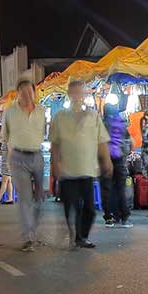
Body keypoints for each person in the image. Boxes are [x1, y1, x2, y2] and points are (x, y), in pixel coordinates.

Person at [48, 80, 112, 250]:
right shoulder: (60, 117)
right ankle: (76, 237)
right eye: (74, 92)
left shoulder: (93, 116)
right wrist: (54, 165)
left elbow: (101, 141)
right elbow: (55, 145)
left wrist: (107, 161)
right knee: (71, 206)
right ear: (69, 94)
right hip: (67, 170)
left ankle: (81, 235)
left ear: (84, 95)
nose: (77, 96)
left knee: (90, 208)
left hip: (87, 169)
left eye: (80, 92)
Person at [0, 74, 46, 250]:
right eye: (23, 92)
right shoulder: (10, 112)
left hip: (37, 156)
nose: (26, 95)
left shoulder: (41, 111)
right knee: (25, 198)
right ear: (17, 93)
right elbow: (6, 137)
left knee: (39, 197)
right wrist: (10, 158)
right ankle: (28, 237)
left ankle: (33, 229)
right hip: (18, 158)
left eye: (29, 92)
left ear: (34, 93)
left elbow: (43, 132)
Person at [100, 103, 132, 229]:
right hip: (119, 159)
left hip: (106, 159)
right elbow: (130, 142)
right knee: (120, 188)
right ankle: (124, 217)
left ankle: (109, 217)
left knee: (107, 188)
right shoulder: (121, 124)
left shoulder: (103, 124)